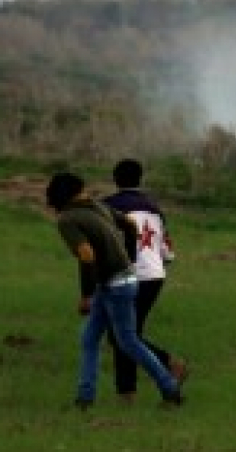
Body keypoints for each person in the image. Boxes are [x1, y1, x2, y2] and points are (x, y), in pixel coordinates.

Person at [45, 171, 184, 409]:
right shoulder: (98, 207)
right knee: (89, 338)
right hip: (115, 282)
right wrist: (128, 257)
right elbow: (130, 225)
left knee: (128, 341)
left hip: (115, 286)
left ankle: (169, 387)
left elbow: (86, 255)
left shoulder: (68, 219)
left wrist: (86, 295)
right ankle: (84, 398)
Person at [102, 159, 187, 403]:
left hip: (127, 275)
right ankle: (133, 388)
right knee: (128, 333)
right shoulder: (154, 209)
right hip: (155, 275)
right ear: (140, 179)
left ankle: (137, 386)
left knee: (123, 335)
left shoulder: (108, 207)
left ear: (115, 179)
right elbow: (167, 253)